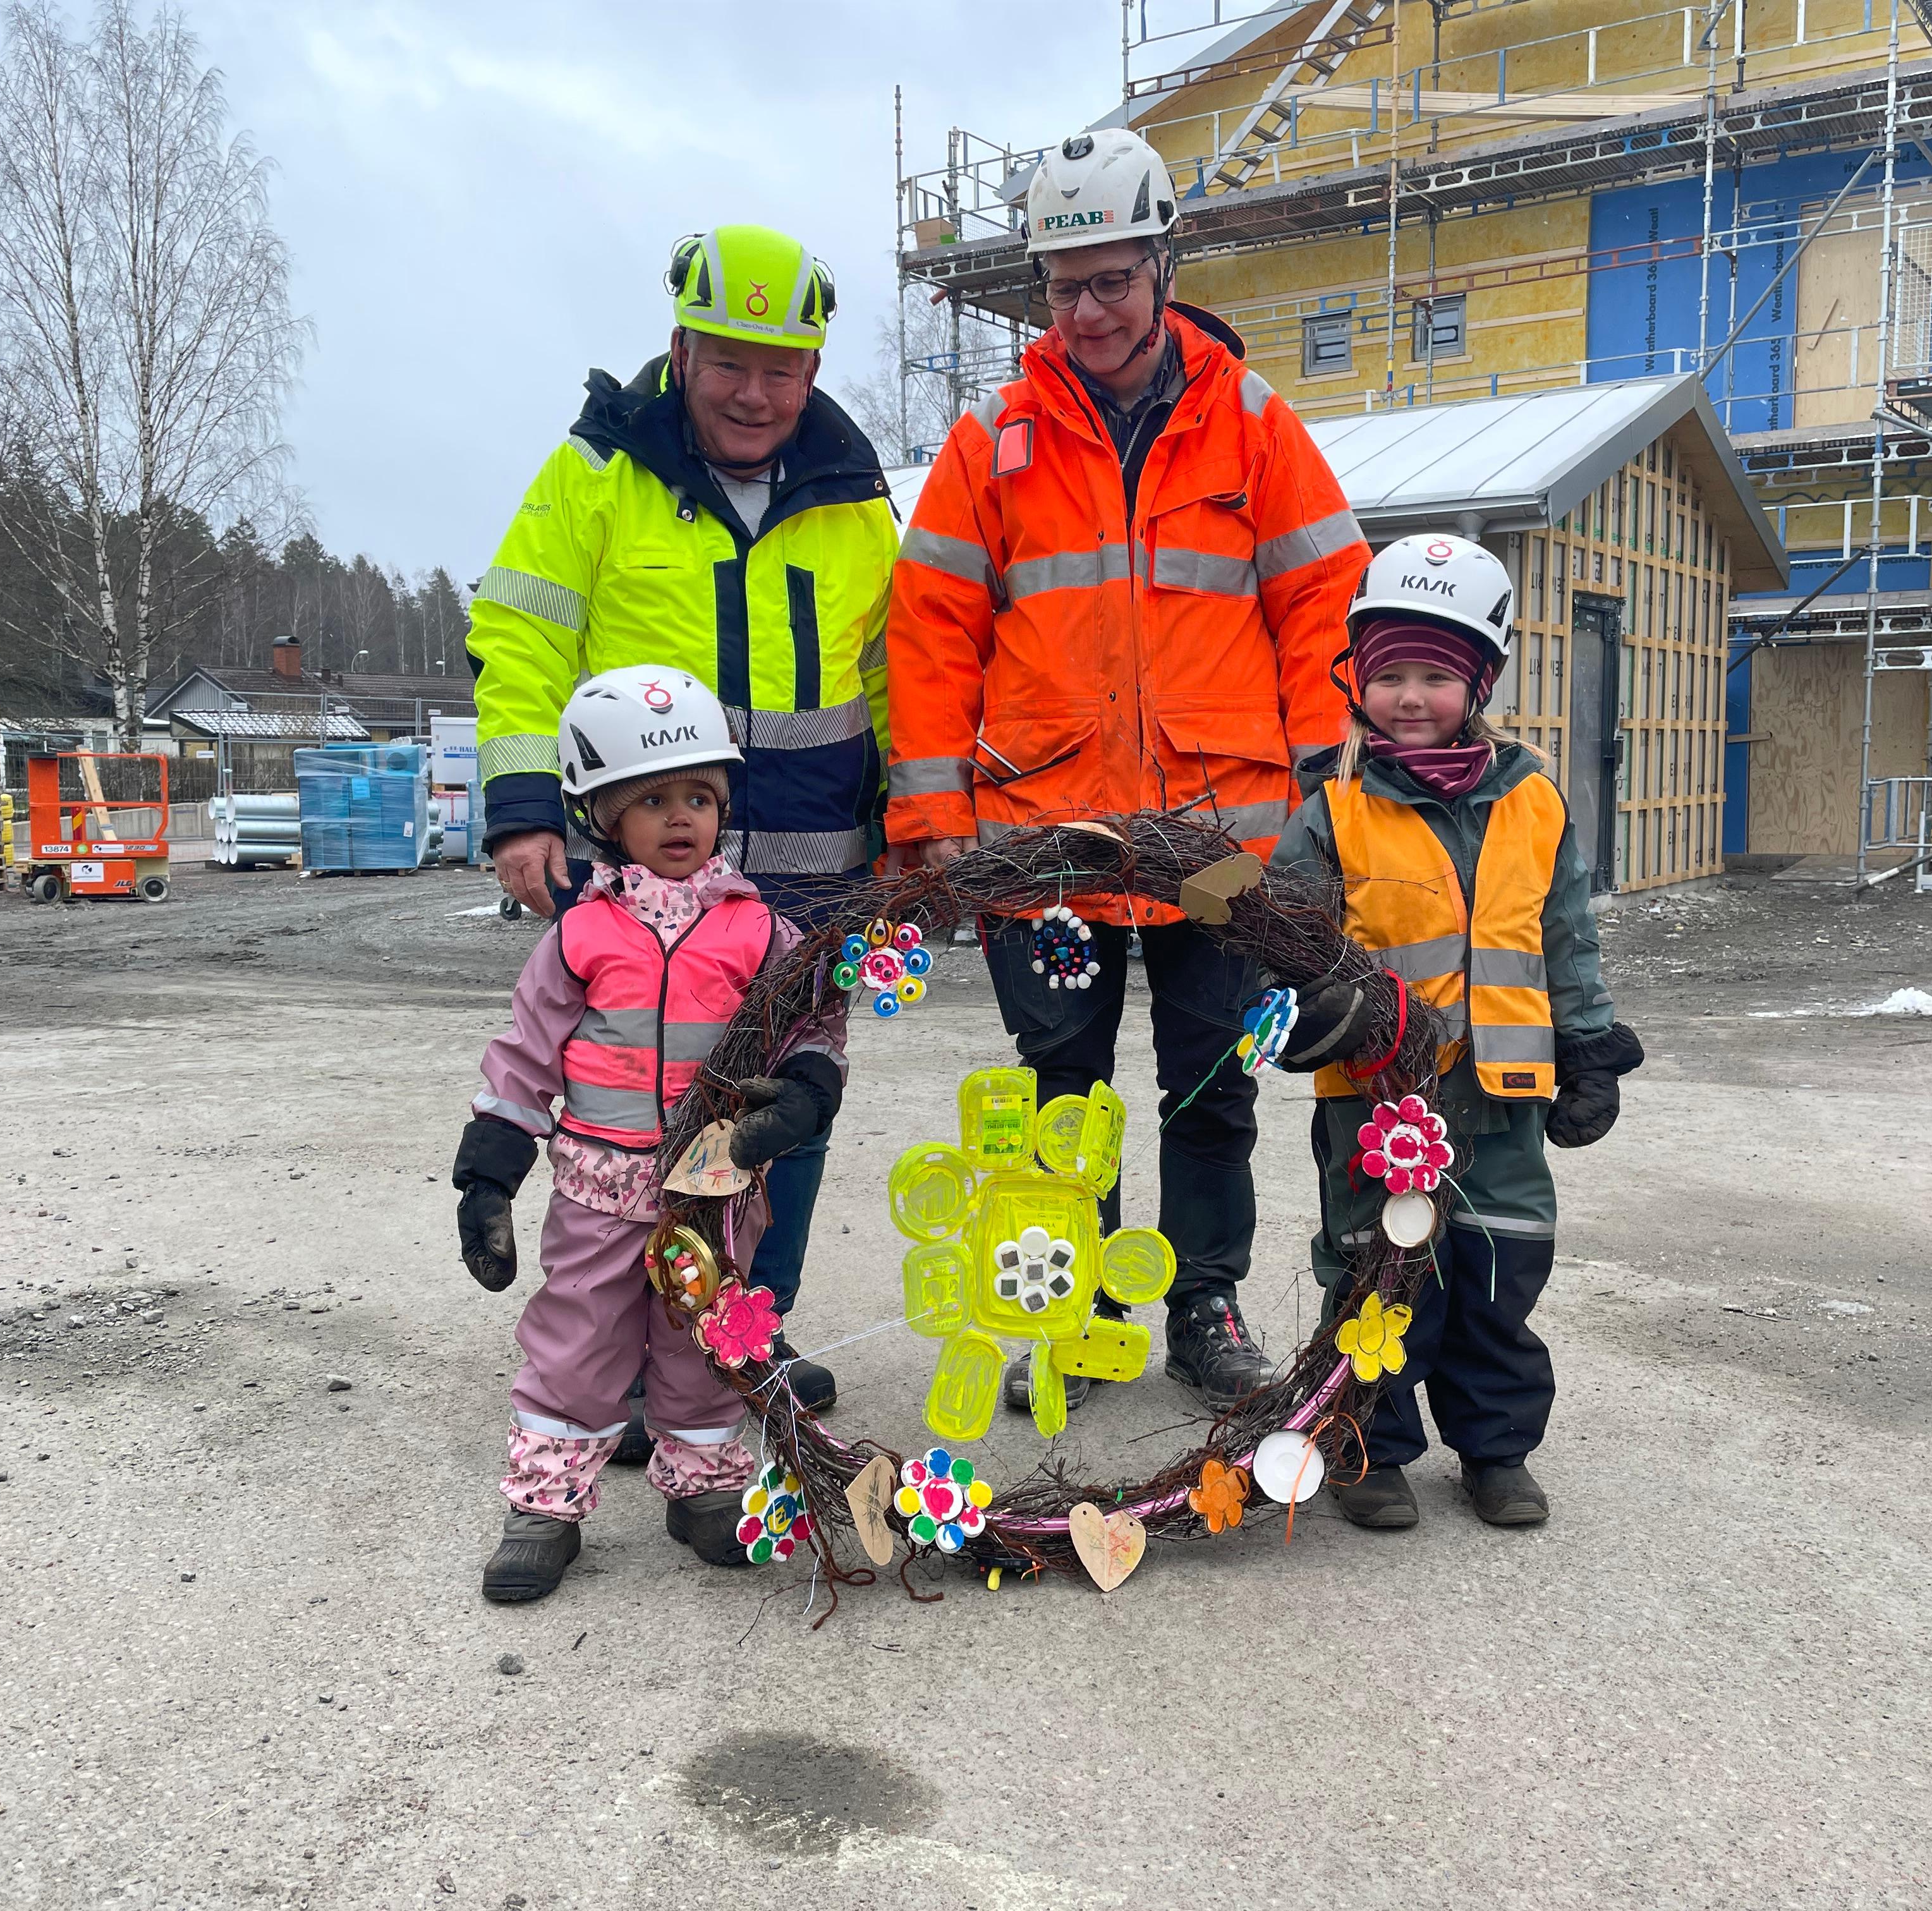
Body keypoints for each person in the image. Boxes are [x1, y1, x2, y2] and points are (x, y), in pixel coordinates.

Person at [885, 128, 1367, 1412]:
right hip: (1042, 839)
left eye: (1110, 280)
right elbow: (930, 632)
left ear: (1162, 265)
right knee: (1061, 1094)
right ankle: (1081, 1309)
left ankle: (1203, 1304)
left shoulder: (1253, 426)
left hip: (1220, 838)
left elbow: (1327, 597)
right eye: (1062, 286)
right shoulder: (993, 443)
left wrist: (1327, 780)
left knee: (1211, 1081)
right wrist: (935, 819)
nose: (1088, 311)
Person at [466, 223, 899, 1414]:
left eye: (782, 368)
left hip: (814, 875)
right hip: (639, 878)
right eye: (728, 363)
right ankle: (608, 1362)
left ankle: (742, 1339)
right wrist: (519, 812)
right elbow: (521, 634)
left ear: (813, 371)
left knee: (787, 1112)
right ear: (679, 348)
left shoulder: (857, 501)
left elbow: (893, 673)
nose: (755, 393)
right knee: (629, 1107)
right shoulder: (600, 472)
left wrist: (920, 820)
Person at [1271, 533, 1644, 1530]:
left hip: (1501, 1099)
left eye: (1435, 674)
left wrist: (1592, 1046)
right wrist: (1309, 1013)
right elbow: (1290, 942)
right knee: (1374, 1270)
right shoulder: (1334, 806)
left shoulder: (1532, 798)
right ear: (1359, 678)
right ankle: (1369, 1449)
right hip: (1374, 1100)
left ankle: (1495, 1450)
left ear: (1478, 680)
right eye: (1388, 673)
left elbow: (1566, 937)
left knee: (1498, 1268)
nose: (1408, 695)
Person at [450, 667, 846, 1601]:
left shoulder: (762, 932)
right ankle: (546, 1506)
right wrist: (491, 1166)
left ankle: (703, 1489)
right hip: (599, 1188)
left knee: (706, 1341)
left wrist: (807, 1087)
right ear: (602, 818)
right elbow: (526, 1050)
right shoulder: (581, 935)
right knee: (578, 1340)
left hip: (715, 1191)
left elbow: (814, 1023)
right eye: (654, 800)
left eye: (701, 798)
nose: (682, 818)